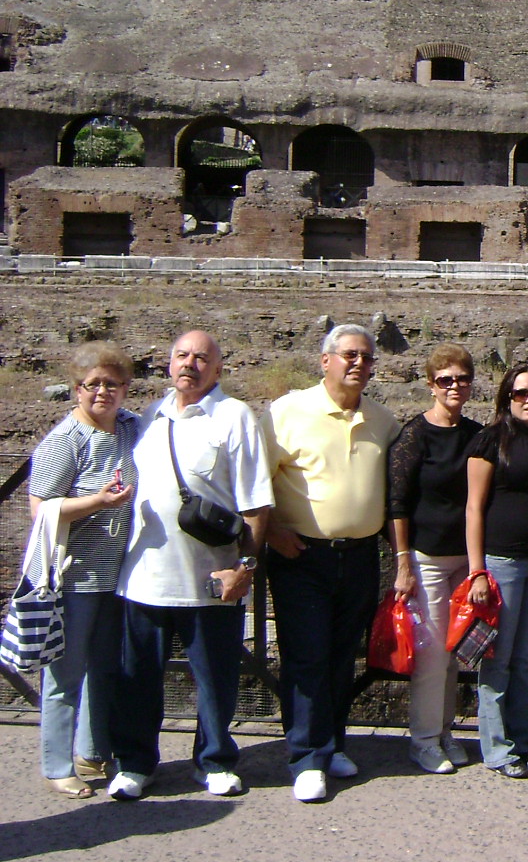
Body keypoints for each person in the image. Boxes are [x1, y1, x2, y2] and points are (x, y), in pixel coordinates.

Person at [108, 332, 272, 801]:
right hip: (144, 577)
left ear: (218, 369)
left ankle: (215, 761)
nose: (190, 364)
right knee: (138, 677)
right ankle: (134, 764)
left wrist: (244, 567)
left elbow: (256, 504)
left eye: (202, 358)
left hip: (211, 578)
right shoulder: (148, 417)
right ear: (169, 364)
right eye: (182, 355)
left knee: (216, 677)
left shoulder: (234, 416)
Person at [261, 324, 401, 803]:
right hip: (301, 554)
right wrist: (272, 531)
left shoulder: (382, 420)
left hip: (359, 556)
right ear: (326, 361)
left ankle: (332, 741)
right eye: (349, 355)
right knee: (306, 655)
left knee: (342, 655)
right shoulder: (287, 412)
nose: (359, 363)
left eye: (367, 357)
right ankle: (306, 757)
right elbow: (255, 480)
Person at [27, 342, 138, 798]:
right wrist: (97, 502)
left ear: (125, 389)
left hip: (118, 575)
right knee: (65, 673)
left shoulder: (130, 429)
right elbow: (40, 510)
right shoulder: (65, 440)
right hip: (72, 577)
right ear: (77, 389)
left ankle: (92, 751)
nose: (102, 392)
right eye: (93, 384)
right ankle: (57, 764)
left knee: (104, 667)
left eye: (112, 384)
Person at [386, 344, 483, 774]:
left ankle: (444, 732)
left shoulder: (476, 434)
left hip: (466, 560)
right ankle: (423, 740)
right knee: (431, 657)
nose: (454, 386)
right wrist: (402, 562)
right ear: (431, 385)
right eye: (445, 380)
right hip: (426, 559)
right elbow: (397, 501)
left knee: (455, 653)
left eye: (462, 379)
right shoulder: (414, 435)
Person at [465, 348, 528, 778]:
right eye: (521, 393)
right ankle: (497, 749)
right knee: (498, 659)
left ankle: (523, 742)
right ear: (507, 397)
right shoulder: (490, 440)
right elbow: (473, 509)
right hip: (501, 563)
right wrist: (477, 571)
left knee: (525, 659)